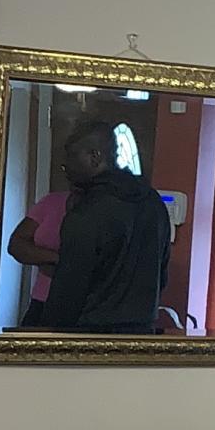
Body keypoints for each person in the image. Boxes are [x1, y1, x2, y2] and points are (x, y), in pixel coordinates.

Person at [34, 118, 171, 333]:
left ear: (95, 157)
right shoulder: (154, 203)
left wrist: (49, 338)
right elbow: (161, 274)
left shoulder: (87, 212)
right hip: (141, 335)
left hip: (89, 338)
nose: (65, 167)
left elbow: (68, 290)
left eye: (71, 156)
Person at [5, 186, 70, 312]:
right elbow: (16, 245)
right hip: (42, 299)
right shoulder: (53, 202)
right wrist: (55, 258)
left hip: (91, 305)